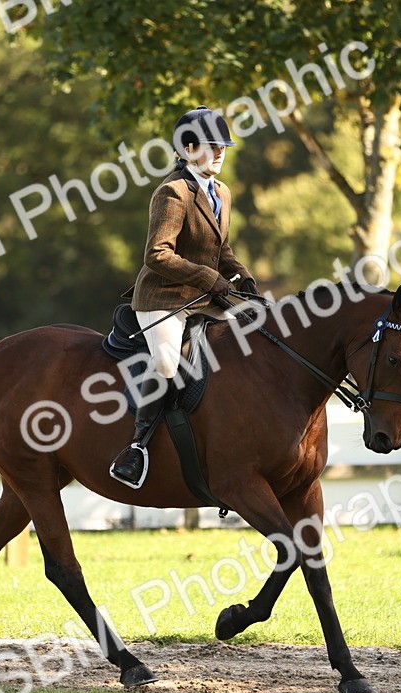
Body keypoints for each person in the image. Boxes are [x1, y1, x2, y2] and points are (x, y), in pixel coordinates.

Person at [109, 106, 258, 489]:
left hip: (206, 298)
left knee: (244, 352)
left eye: (223, 145)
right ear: (189, 149)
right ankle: (137, 447)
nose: (222, 152)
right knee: (167, 363)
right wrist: (210, 278)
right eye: (212, 146)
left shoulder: (221, 191)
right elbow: (157, 254)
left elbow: (220, 249)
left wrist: (242, 277)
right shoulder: (172, 192)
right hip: (163, 299)